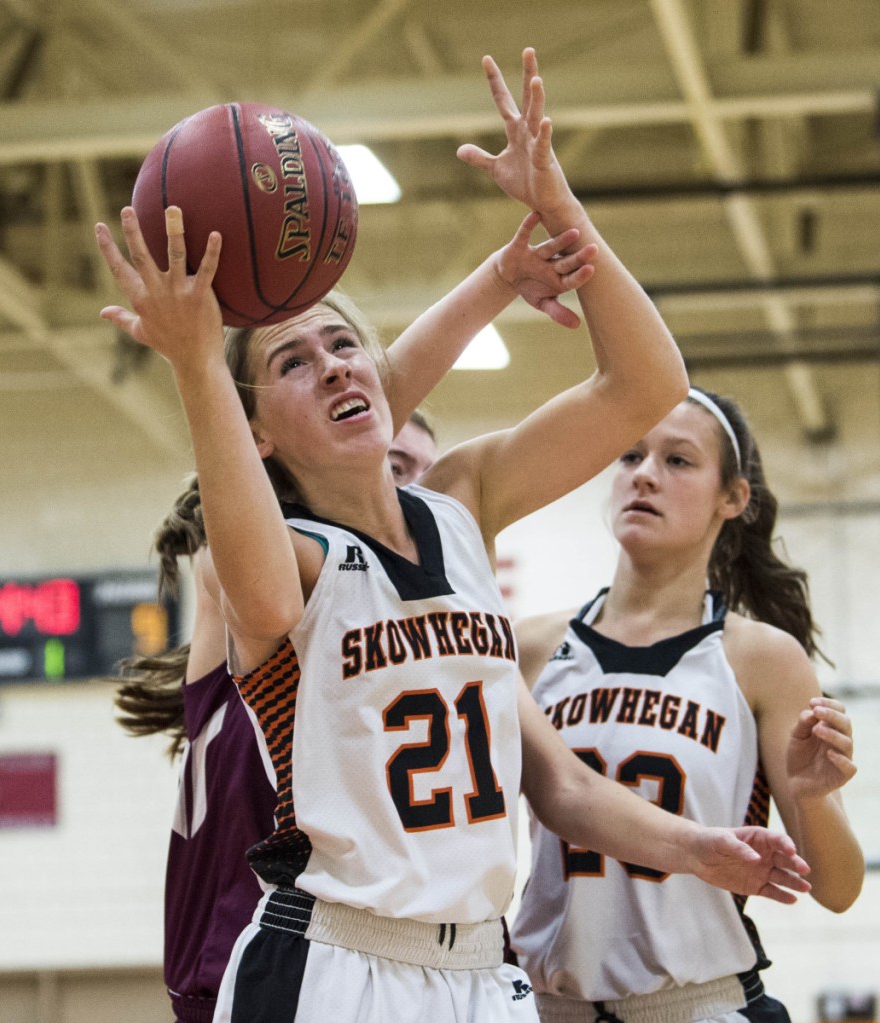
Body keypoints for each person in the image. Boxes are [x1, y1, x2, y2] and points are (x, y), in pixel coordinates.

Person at [95, 48, 810, 1023]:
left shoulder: (459, 503)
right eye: (295, 362)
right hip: (335, 964)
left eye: (346, 344)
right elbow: (262, 562)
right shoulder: (283, 564)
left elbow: (645, 389)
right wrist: (193, 364)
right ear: (256, 427)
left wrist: (556, 212)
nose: (336, 366)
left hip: (483, 971)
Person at [114, 215, 590, 1023]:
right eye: (299, 361)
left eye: (411, 470)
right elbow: (326, 414)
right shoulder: (253, 565)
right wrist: (199, 359)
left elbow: (360, 397)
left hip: (426, 953)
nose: (400, 484)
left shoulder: (397, 563)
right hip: (270, 942)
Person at [509, 386, 865, 1023]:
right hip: (543, 1006)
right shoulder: (528, 645)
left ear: (733, 498)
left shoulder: (763, 659)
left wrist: (812, 796)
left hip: (693, 1005)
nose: (645, 474)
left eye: (677, 460)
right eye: (630, 455)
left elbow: (839, 891)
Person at [113, 415, 439, 1023]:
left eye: (424, 479)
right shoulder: (236, 589)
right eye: (394, 468)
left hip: (376, 978)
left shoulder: (419, 676)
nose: (407, 495)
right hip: (253, 976)